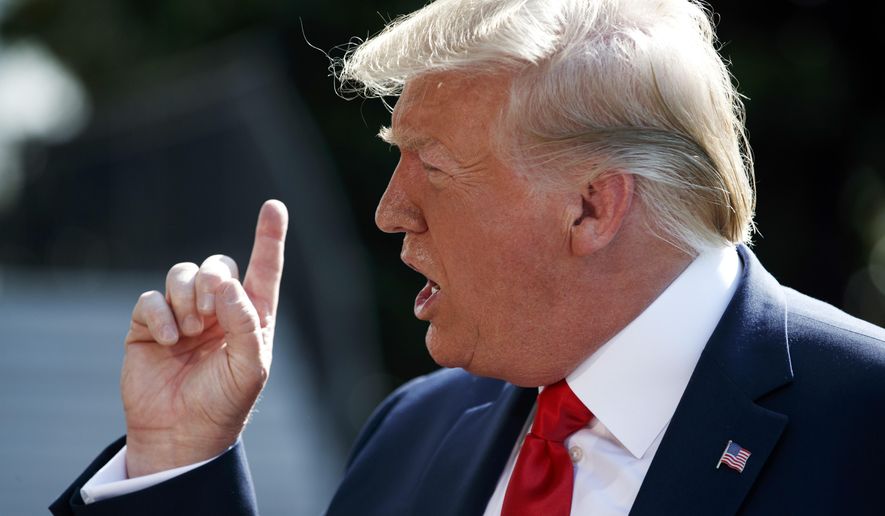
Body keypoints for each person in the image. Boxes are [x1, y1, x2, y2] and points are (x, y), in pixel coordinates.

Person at [51, 0, 885, 514]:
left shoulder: (863, 422)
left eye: (434, 168)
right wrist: (177, 460)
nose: (389, 211)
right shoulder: (414, 430)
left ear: (593, 205)